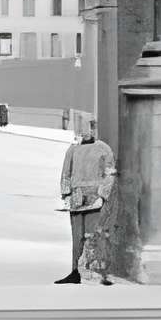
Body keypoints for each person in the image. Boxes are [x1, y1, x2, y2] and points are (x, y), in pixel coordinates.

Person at [58, 121, 116, 285]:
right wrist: (66, 195)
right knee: (77, 238)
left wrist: (103, 194)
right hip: (76, 200)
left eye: (88, 128)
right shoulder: (73, 149)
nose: (85, 132)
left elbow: (110, 173)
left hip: (95, 200)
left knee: (96, 236)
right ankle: (75, 271)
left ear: (94, 129)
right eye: (81, 129)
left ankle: (101, 273)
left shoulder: (104, 148)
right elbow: (65, 174)